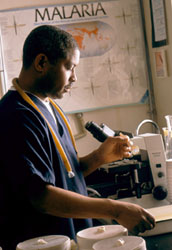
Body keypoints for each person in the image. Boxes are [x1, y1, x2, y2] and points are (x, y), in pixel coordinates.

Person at [0, 25, 155, 250]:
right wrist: (116, 209)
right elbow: (40, 196)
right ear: (41, 63)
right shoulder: (15, 116)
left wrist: (99, 157)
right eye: (69, 67)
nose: (74, 77)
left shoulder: (49, 106)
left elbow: (66, 174)